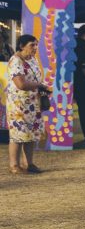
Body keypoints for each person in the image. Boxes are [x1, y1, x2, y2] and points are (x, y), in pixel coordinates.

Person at [6, 35, 49, 174]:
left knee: (31, 134)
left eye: (36, 45)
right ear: (21, 46)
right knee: (17, 135)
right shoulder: (15, 61)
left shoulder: (33, 59)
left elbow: (35, 79)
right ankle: (14, 165)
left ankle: (29, 163)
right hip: (18, 105)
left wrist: (42, 88)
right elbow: (21, 84)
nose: (35, 48)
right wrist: (40, 86)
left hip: (32, 104)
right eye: (32, 45)